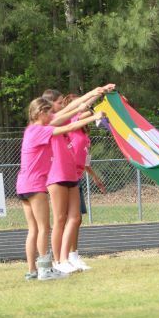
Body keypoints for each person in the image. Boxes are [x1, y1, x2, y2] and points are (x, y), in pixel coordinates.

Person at [17, 97, 107, 281]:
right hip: (35, 184)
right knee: (44, 228)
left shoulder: (30, 129)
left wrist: (90, 99)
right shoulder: (40, 130)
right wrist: (93, 117)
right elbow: (69, 126)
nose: (53, 115)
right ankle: (45, 270)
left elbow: (69, 114)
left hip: (23, 183)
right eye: (49, 112)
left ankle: (32, 271)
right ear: (40, 113)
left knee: (33, 229)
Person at [42, 87, 112, 274]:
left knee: (74, 218)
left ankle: (67, 258)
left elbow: (78, 107)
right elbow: (76, 113)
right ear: (49, 105)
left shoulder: (64, 120)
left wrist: (98, 92)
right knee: (60, 219)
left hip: (71, 174)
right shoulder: (50, 123)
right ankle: (58, 260)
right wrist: (93, 113)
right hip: (57, 175)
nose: (62, 105)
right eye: (59, 103)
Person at [64, 94, 107, 270]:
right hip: (67, 176)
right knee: (71, 218)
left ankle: (72, 255)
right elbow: (85, 113)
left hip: (78, 176)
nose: (82, 106)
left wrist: (94, 176)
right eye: (79, 104)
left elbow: (85, 159)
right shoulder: (71, 122)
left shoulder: (83, 132)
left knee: (76, 219)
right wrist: (102, 105)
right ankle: (66, 256)